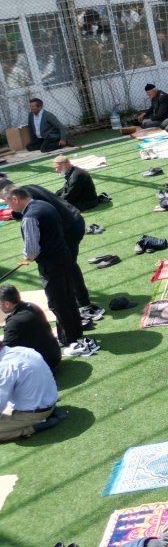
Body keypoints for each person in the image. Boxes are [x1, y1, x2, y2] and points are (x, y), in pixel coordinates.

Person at [6, 186, 83, 348]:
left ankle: (67, 339)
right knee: (68, 296)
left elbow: (32, 251)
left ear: (15, 199)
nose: (9, 208)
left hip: (50, 264)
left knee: (57, 302)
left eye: (8, 203)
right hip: (64, 255)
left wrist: (26, 257)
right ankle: (76, 331)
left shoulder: (29, 218)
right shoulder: (44, 205)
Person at [0, 337, 62, 442]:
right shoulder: (21, 350)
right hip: (46, 403)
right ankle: (46, 415)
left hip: (32, 414)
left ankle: (32, 428)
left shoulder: (5, 368)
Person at [0, 285, 59, 370]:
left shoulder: (14, 322)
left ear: (7, 304)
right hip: (54, 356)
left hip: (42, 365)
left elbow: (4, 352)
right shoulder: (33, 306)